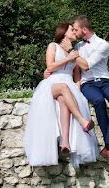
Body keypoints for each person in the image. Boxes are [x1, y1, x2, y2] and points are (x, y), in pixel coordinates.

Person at [23, 23, 99, 168]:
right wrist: (68, 58)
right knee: (63, 88)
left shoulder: (75, 51)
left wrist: (77, 90)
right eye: (72, 29)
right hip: (52, 84)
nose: (75, 32)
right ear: (64, 32)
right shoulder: (53, 46)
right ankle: (82, 121)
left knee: (64, 100)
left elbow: (77, 77)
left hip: (68, 86)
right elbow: (50, 66)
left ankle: (65, 142)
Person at [70, 15, 109, 170]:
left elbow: (86, 65)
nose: (74, 32)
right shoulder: (77, 47)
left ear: (84, 29)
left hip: (105, 81)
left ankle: (108, 147)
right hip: (88, 84)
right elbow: (78, 70)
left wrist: (72, 53)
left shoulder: (103, 44)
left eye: (76, 29)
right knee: (99, 101)